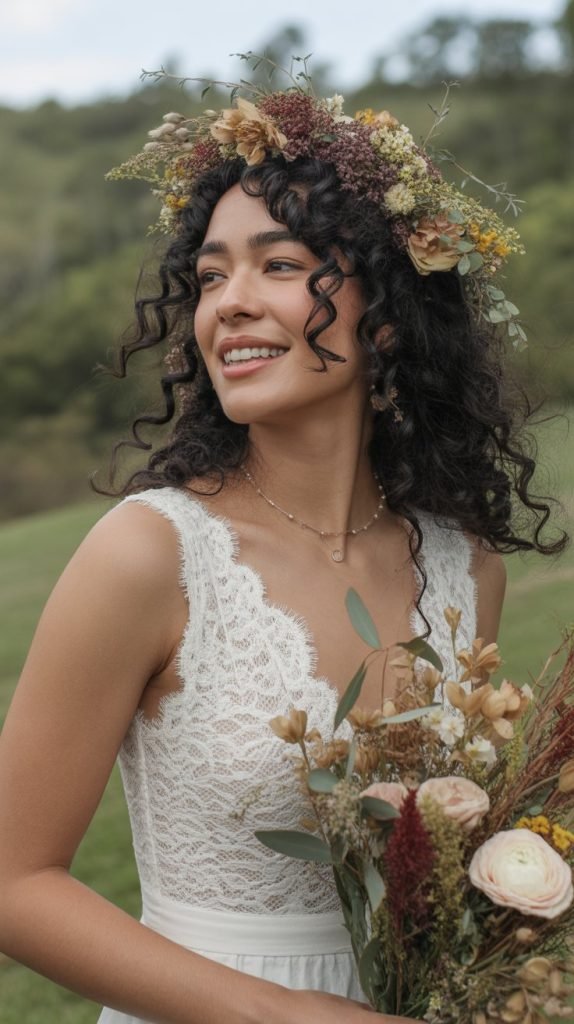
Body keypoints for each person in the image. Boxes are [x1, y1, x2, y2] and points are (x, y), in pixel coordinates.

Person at [0, 64, 566, 1024]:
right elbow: (14, 881)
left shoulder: (467, 568)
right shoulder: (149, 555)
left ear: (385, 311)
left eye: (280, 264)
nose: (228, 303)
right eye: (212, 275)